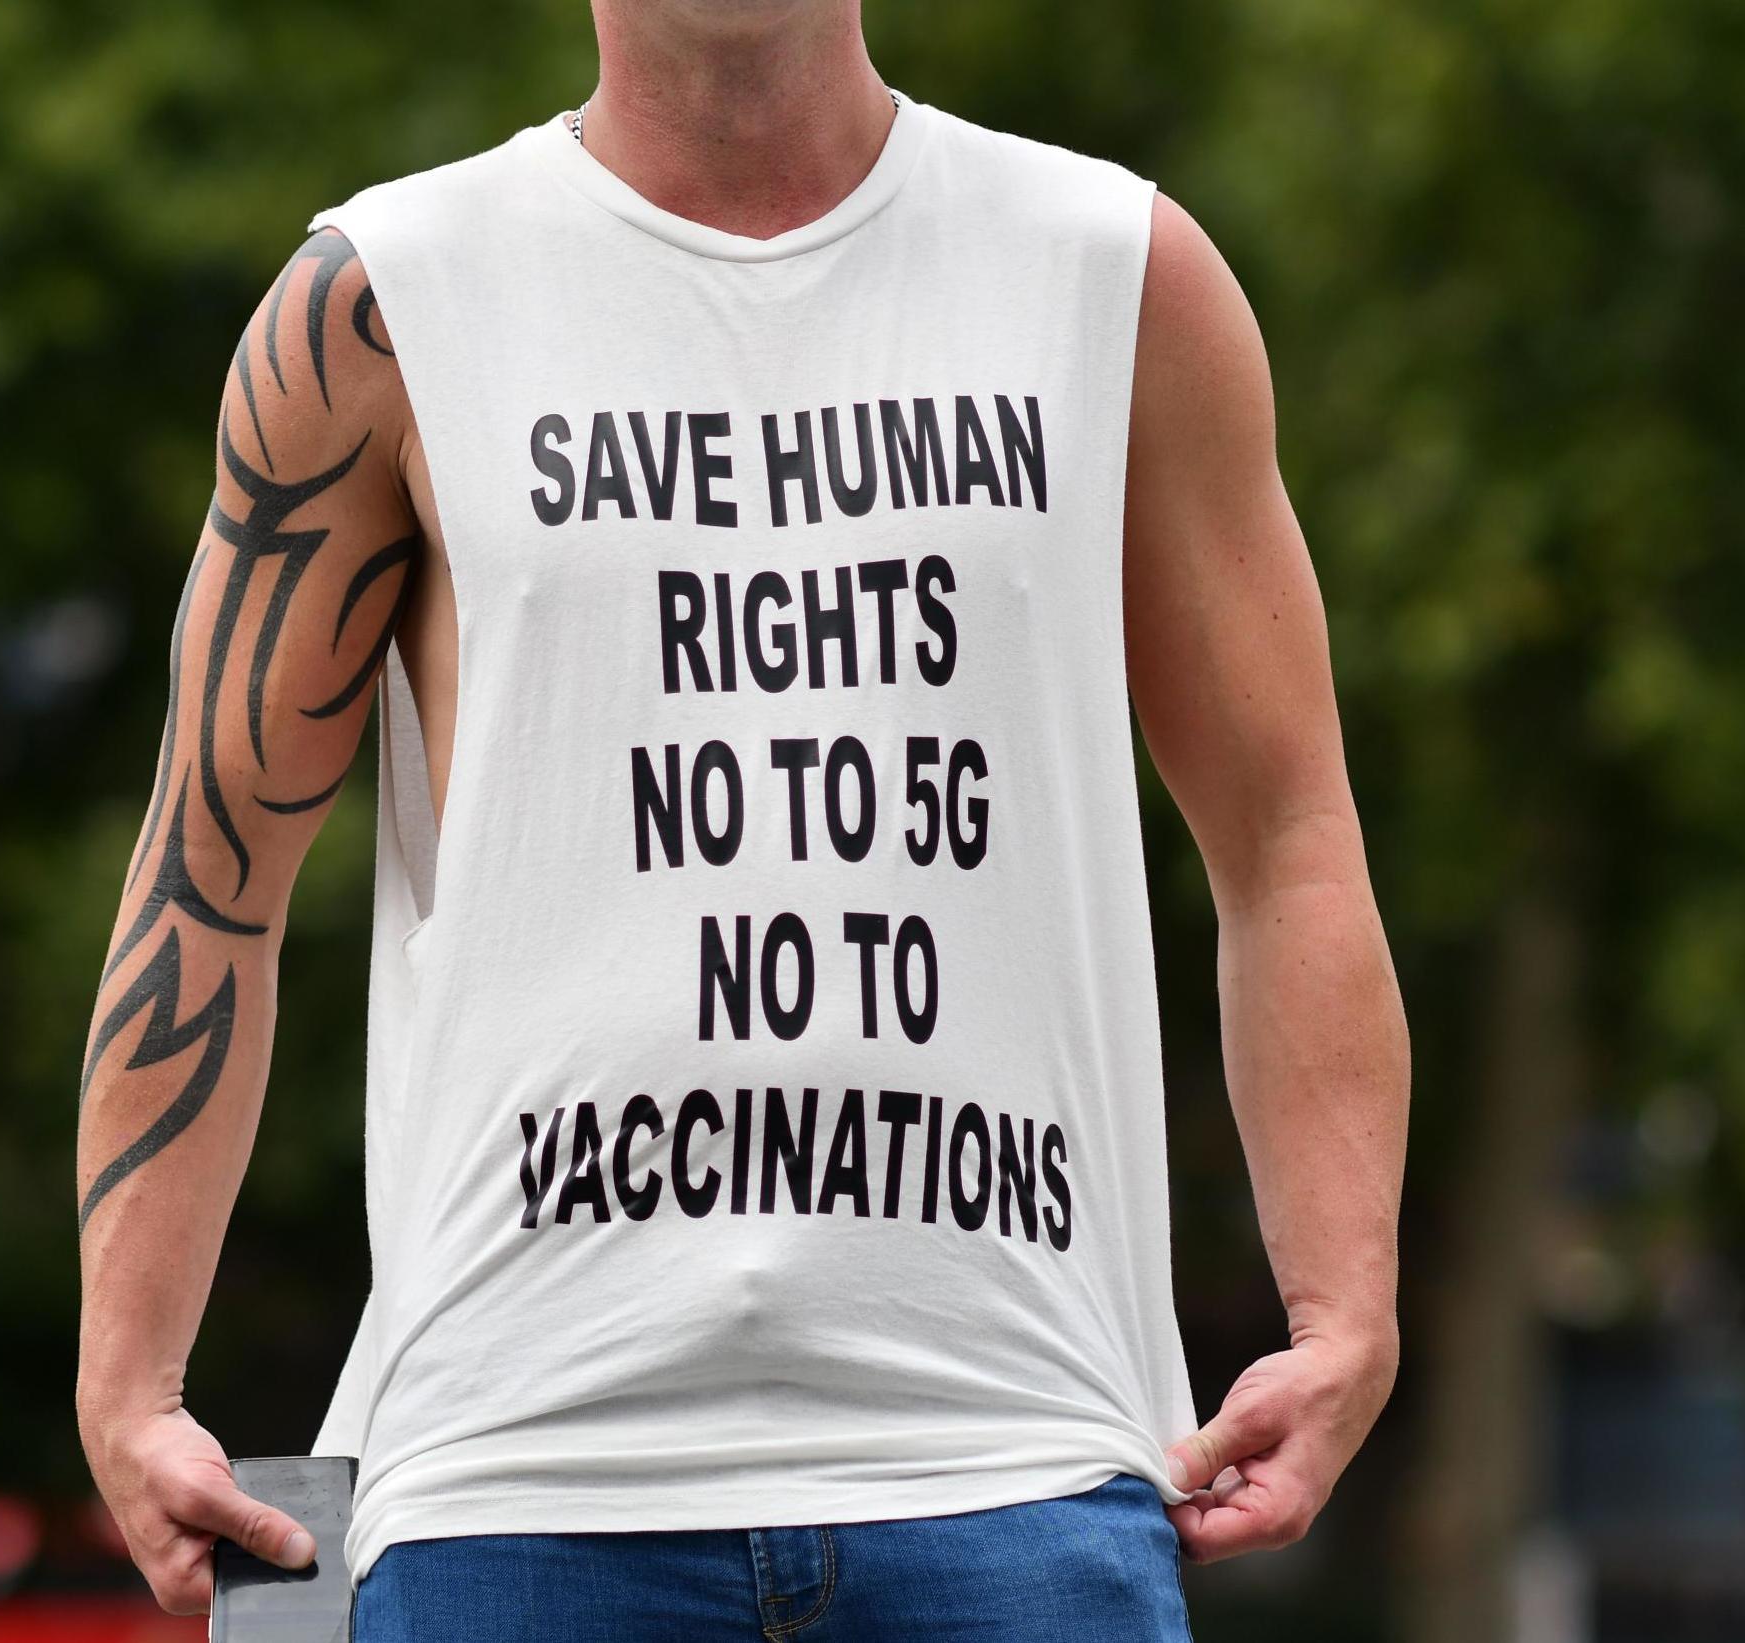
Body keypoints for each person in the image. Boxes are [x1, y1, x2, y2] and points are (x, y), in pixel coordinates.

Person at [73, 1, 1410, 1636]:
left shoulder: (1108, 274)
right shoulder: (387, 303)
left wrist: (1345, 1309)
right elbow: (213, 863)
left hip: (1013, 1457)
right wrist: (128, 1375)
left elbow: (1287, 838)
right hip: (518, 1471)